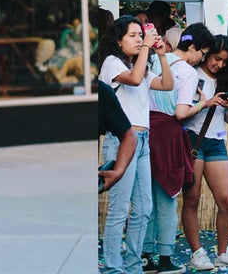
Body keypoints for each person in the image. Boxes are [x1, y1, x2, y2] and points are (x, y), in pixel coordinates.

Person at [175, 28, 228, 271]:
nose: (219, 64)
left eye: (225, 61)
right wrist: (206, 102)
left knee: (226, 199)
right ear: (207, 54)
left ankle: (223, 252)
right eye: (217, 58)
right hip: (192, 140)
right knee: (192, 199)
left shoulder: (226, 80)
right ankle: (197, 252)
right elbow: (181, 113)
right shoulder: (191, 74)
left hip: (216, 141)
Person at [101, 16, 156, 274]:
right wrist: (146, 46)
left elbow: (167, 85)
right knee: (119, 209)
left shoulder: (140, 63)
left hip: (143, 140)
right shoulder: (112, 63)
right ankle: (113, 267)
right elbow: (134, 79)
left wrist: (162, 55)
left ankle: (133, 267)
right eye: (133, 35)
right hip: (122, 140)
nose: (138, 39)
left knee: (144, 208)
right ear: (118, 40)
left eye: (140, 34)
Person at [145, 18, 187, 274]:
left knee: (149, 199)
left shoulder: (147, 66)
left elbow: (166, 84)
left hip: (146, 135)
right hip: (158, 134)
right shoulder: (188, 72)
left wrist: (160, 58)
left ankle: (149, 255)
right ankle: (162, 256)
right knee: (161, 200)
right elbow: (180, 110)